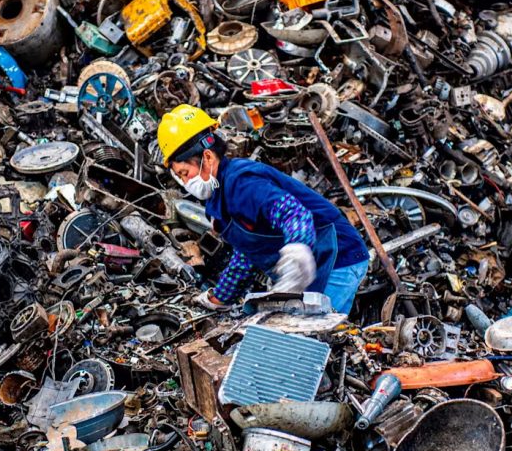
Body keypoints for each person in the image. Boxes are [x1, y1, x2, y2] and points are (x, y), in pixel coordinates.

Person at [158, 104, 370, 314]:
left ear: (207, 157)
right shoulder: (219, 197)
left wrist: (297, 251)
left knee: (311, 337)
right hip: (308, 268)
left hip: (337, 259)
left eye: (185, 173)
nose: (186, 182)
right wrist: (218, 298)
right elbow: (248, 253)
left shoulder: (243, 183)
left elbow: (292, 213)